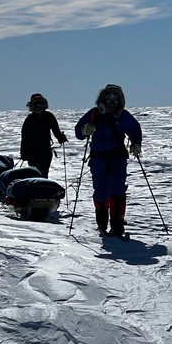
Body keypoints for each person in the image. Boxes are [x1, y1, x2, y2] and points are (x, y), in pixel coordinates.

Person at [74, 84, 142, 237]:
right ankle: (102, 222)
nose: (112, 101)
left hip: (117, 157)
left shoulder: (123, 116)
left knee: (117, 190)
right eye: (109, 97)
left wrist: (136, 143)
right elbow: (79, 131)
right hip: (98, 158)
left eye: (115, 98)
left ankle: (117, 225)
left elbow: (134, 129)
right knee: (100, 191)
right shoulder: (94, 114)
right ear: (103, 98)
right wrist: (84, 130)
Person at [20, 93, 68, 178]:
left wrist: (60, 137)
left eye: (40, 104)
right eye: (35, 104)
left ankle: (41, 189)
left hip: (45, 151)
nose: (38, 107)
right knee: (35, 174)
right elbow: (24, 138)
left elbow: (56, 130)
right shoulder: (29, 119)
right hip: (32, 153)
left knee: (43, 173)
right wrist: (23, 152)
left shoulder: (48, 116)